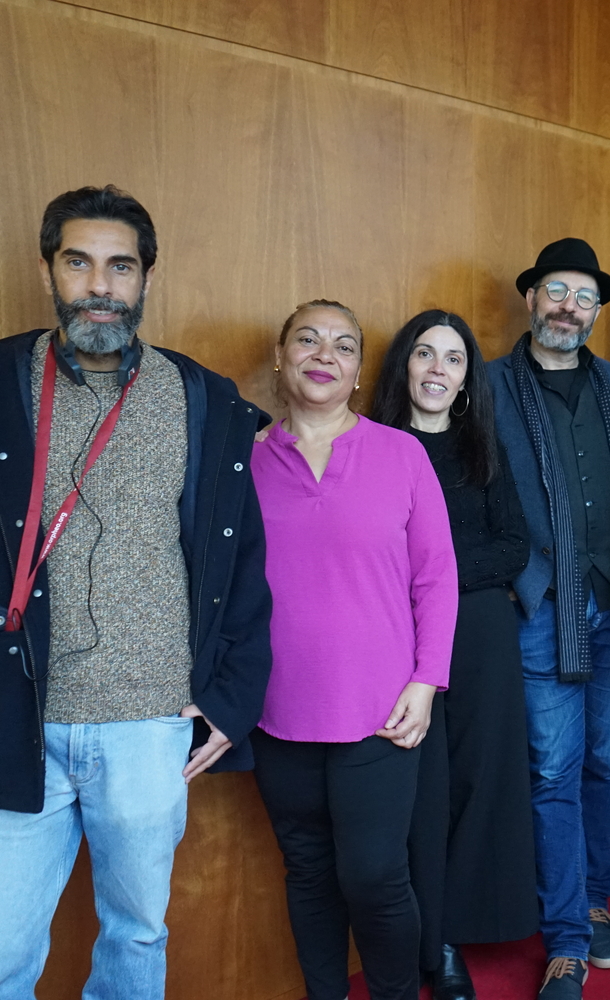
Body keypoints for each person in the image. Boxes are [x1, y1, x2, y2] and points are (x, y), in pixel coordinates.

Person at [0, 185, 274, 999]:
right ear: (47, 271)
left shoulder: (204, 399)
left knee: (137, 936)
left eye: (120, 266)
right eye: (79, 263)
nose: (101, 285)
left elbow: (242, 568)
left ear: (147, 278)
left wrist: (230, 702)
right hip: (8, 721)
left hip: (149, 725)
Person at [250, 300, 459, 1000]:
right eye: (307, 339)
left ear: (360, 372)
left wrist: (427, 680)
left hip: (382, 711)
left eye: (343, 346)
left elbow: (437, 577)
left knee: (374, 876)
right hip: (277, 709)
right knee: (309, 872)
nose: (324, 355)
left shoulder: (401, 454)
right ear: (280, 357)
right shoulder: (245, 461)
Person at [489, 238, 610, 1000]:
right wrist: (519, 581)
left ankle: (591, 894)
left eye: (585, 297)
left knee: (608, 764)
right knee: (552, 770)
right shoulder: (490, 385)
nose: (569, 307)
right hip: (541, 606)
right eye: (557, 290)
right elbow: (476, 487)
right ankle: (566, 938)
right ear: (531, 298)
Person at [369, 310, 539, 1000]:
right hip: (397, 637)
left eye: (454, 358)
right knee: (422, 792)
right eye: (424, 354)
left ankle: (457, 931)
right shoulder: (371, 445)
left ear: (467, 378)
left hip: (481, 638)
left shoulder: (481, 448)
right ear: (403, 366)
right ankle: (430, 941)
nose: (438, 369)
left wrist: (434, 574)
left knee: (481, 783)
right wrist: (426, 582)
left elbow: (514, 547)